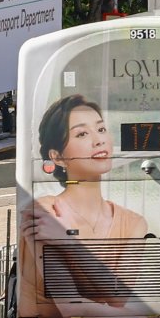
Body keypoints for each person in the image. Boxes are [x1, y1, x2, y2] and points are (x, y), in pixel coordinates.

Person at [32, 95, 150, 242]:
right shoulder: (44, 212)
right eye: (82, 134)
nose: (99, 140)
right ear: (58, 158)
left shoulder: (134, 223)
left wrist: (68, 241)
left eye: (101, 129)